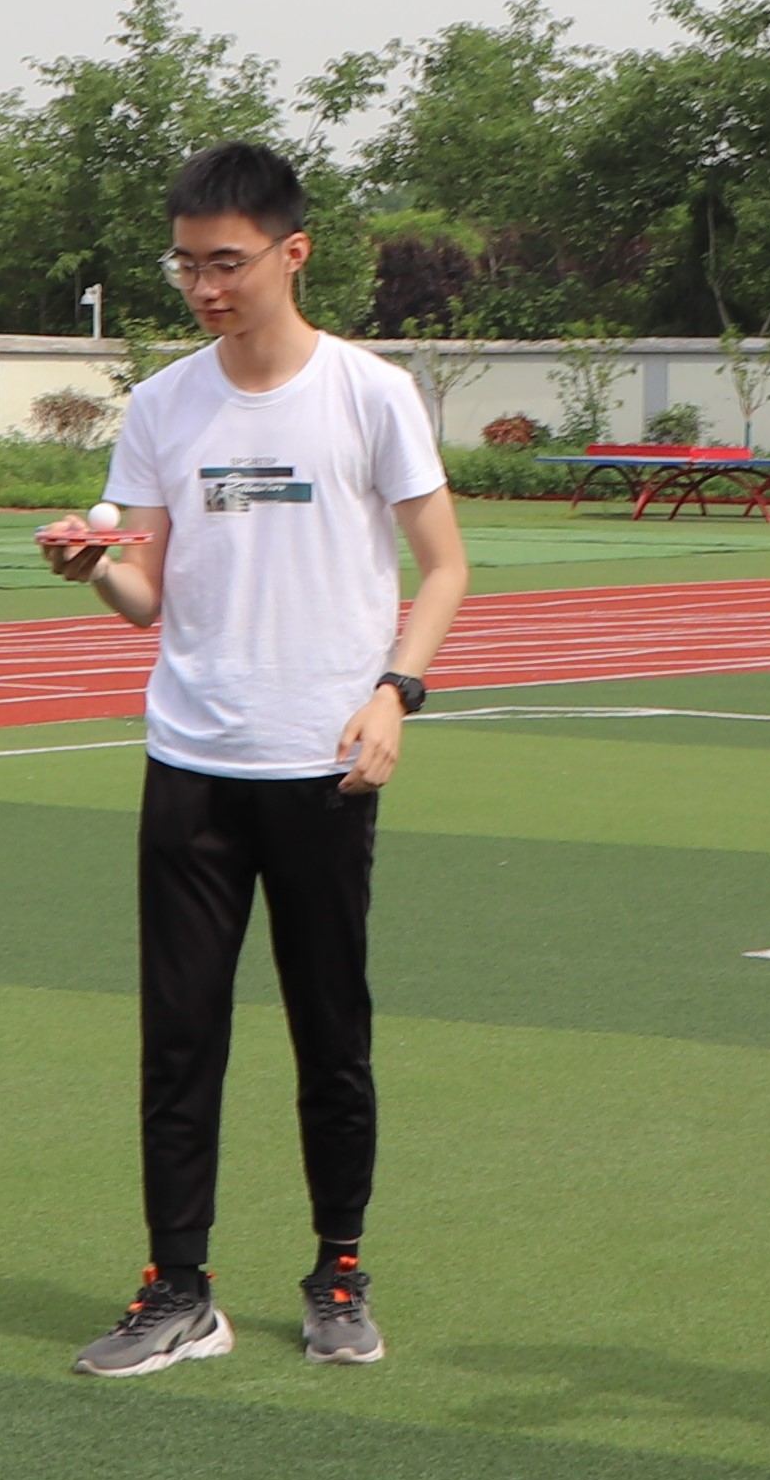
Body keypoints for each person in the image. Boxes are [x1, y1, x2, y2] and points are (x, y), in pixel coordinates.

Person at [38, 143, 470, 1377]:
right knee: (179, 1036)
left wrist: (395, 691)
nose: (205, 287)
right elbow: (148, 593)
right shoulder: (165, 403)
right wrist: (96, 566)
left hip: (323, 764)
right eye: (186, 264)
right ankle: (178, 1286)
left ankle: (339, 1269)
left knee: (331, 1033)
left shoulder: (369, 393)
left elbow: (446, 565)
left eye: (226, 262)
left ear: (294, 252)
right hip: (192, 758)